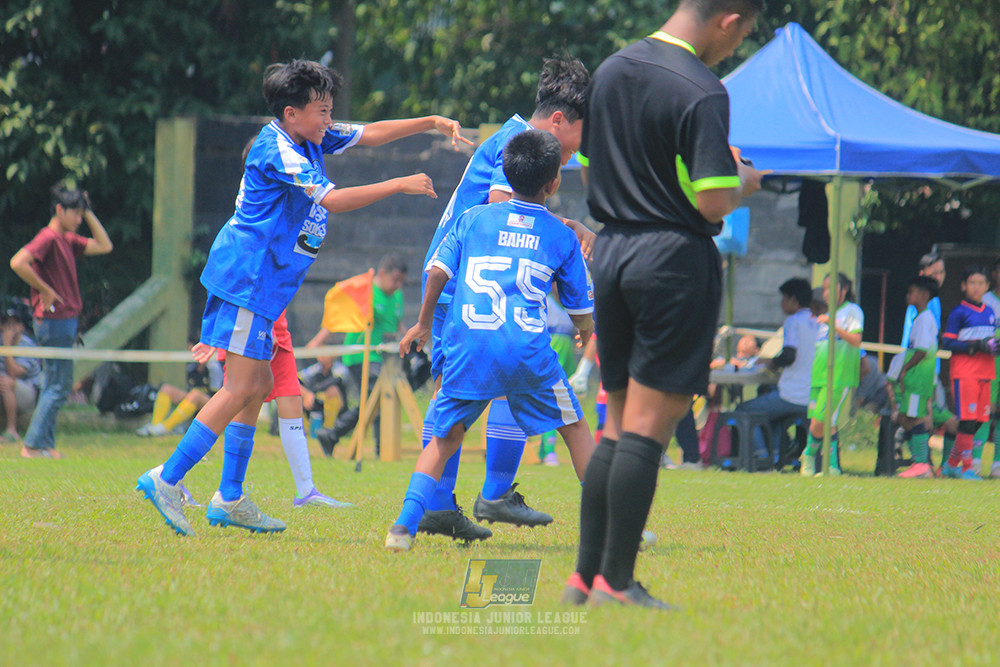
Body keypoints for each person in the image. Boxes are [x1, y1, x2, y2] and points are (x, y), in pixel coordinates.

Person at [136, 58, 468, 536]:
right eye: (322, 111)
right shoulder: (280, 148)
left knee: (259, 388)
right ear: (292, 113)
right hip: (248, 279)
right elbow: (330, 199)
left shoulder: (312, 137)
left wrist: (431, 122)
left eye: (331, 110)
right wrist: (398, 183)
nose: (329, 120)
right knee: (240, 388)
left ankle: (229, 497)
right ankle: (166, 479)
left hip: (267, 286)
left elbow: (370, 133)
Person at [563, 0, 766, 610]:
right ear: (730, 19)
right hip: (672, 259)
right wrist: (745, 182)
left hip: (615, 253)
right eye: (743, 36)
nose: (735, 49)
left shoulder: (612, 69)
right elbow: (711, 201)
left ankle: (584, 578)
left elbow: (587, 168)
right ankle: (618, 585)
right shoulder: (702, 89)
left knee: (616, 425)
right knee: (648, 428)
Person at [385, 129, 595, 552]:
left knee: (445, 440)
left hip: (467, 347)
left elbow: (437, 272)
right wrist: (585, 334)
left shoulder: (473, 218)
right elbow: (580, 310)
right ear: (553, 183)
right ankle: (615, 524)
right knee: (574, 427)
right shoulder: (561, 235)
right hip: (525, 350)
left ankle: (402, 527)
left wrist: (423, 324)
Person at [197, 310, 353, 508]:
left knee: (290, 399)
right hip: (253, 320)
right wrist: (212, 329)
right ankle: (171, 476)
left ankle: (305, 490)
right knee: (238, 397)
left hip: (274, 324)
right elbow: (227, 282)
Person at [9, 185, 114, 459]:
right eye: (76, 213)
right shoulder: (48, 237)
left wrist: (89, 211)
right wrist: (43, 288)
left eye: (82, 214)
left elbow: (105, 245)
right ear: (59, 210)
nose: (79, 220)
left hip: (65, 321)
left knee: (55, 384)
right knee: (59, 386)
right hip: (54, 320)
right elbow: (18, 262)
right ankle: (32, 445)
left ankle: (46, 446)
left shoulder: (67, 240)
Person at [307, 254, 408, 455]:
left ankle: (337, 435)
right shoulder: (367, 291)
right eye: (394, 280)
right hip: (361, 355)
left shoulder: (397, 296)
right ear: (382, 274)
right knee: (377, 397)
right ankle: (339, 434)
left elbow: (398, 325)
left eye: (401, 282)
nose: (398, 285)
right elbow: (341, 314)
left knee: (379, 399)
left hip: (386, 358)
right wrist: (318, 341)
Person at [734, 278, 817, 460]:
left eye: (784, 298)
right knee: (771, 402)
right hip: (812, 397)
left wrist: (770, 363)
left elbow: (789, 355)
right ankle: (778, 456)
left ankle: (762, 458)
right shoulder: (817, 323)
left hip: (792, 395)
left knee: (742, 410)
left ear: (793, 301)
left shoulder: (793, 322)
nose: (781, 303)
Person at [802, 273, 864, 477]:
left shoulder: (852, 311)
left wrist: (832, 324)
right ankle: (832, 467)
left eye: (831, 289)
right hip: (819, 376)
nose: (826, 294)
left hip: (839, 375)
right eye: (824, 289)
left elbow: (856, 340)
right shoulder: (826, 315)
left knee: (821, 419)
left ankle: (809, 455)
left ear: (843, 290)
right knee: (825, 422)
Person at [940, 265, 998, 480]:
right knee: (966, 419)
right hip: (965, 373)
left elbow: (990, 341)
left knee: (980, 421)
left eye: (980, 283)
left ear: (987, 286)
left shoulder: (990, 312)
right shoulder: (959, 313)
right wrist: (974, 346)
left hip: (986, 373)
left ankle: (952, 463)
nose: (976, 287)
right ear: (964, 286)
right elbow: (948, 343)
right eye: (972, 283)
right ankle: (965, 467)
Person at [891, 276, 941, 478]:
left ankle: (921, 464)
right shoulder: (919, 318)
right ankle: (920, 463)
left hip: (918, 378)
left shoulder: (924, 319)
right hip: (916, 379)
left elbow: (921, 351)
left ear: (923, 295)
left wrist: (904, 370)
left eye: (911, 291)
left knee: (914, 418)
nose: (908, 296)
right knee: (906, 418)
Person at [136, 341, 223, 437]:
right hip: (195, 403)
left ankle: (166, 428)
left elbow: (218, 394)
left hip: (215, 405)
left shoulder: (213, 367)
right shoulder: (190, 367)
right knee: (166, 388)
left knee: (195, 395)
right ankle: (155, 426)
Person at [0, 301, 42, 442]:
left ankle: (12, 430)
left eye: (14, 324)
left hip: (27, 393)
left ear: (21, 326)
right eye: (7, 323)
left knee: (6, 381)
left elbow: (13, 373)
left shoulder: (26, 345)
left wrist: (6, 347)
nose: (10, 328)